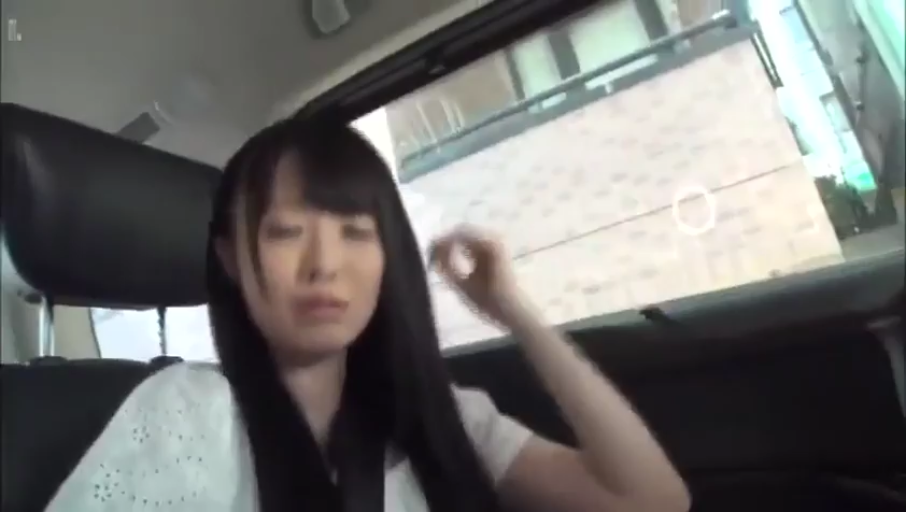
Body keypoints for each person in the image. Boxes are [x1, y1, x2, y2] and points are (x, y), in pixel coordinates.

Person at [44, 115, 689, 512]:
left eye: (355, 232)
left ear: (388, 257)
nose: (325, 264)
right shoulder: (189, 413)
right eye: (286, 232)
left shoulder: (446, 418)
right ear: (231, 260)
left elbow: (650, 501)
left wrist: (515, 313)